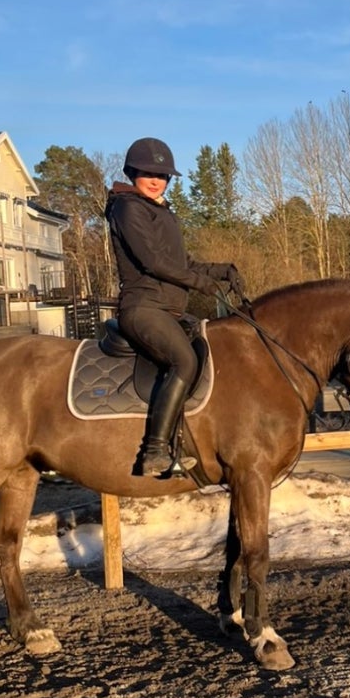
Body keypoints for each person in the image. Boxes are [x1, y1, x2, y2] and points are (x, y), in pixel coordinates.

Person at [105, 137, 247, 476]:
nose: (156, 180)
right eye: (148, 173)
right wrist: (202, 284)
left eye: (163, 175)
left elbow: (183, 262)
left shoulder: (160, 210)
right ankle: (154, 451)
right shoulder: (128, 208)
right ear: (132, 172)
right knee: (183, 360)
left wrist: (222, 271)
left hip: (168, 309)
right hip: (143, 307)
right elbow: (153, 262)